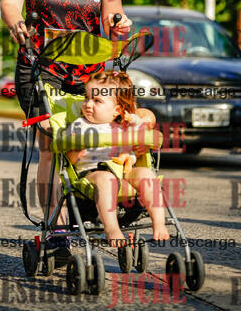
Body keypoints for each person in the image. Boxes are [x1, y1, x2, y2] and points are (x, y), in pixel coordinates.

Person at [0, 0, 132, 216]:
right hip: (40, 66)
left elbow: (113, 13)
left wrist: (119, 24)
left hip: (89, 72)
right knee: (51, 146)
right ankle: (55, 228)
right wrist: (15, 23)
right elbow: (10, 2)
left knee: (90, 141)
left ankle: (90, 210)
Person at [66, 70, 169, 247]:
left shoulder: (124, 125)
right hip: (92, 172)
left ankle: (159, 222)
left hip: (123, 171)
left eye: (97, 101)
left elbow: (146, 127)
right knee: (106, 178)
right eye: (87, 98)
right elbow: (70, 160)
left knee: (146, 174)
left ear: (117, 110)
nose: (88, 104)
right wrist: (76, 149)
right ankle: (112, 229)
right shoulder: (79, 125)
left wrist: (142, 140)